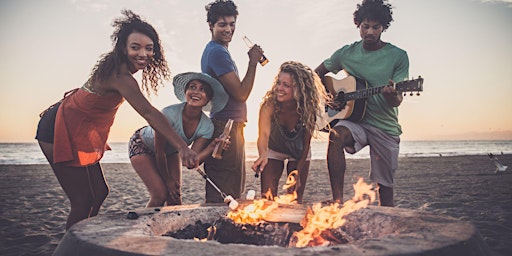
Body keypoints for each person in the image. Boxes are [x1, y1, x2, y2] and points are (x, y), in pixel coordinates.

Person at [35, 10, 199, 230]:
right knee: (82, 200)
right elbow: (149, 113)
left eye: (149, 48)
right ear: (123, 48)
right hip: (57, 128)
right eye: (136, 47)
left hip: (78, 129)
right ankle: (73, 244)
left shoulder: (120, 70)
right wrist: (182, 147)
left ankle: (85, 234)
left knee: (100, 192)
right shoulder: (120, 76)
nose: (143, 53)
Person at [314, 0, 409, 207]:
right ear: (358, 25)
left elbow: (397, 100)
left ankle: (387, 219)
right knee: (335, 136)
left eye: (376, 27)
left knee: (385, 189)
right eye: (365, 26)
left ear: (384, 27)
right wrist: (329, 97)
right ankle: (338, 200)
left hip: (384, 125)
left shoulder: (398, 56)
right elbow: (316, 74)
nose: (370, 32)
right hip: (355, 120)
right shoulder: (346, 53)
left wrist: (391, 94)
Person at [129, 72, 229, 207]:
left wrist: (212, 146)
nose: (196, 92)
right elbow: (160, 152)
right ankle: (141, 227)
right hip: (142, 145)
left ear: (208, 99)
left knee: (175, 196)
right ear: (185, 92)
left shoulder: (206, 126)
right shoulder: (168, 114)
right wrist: (168, 179)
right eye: (192, 87)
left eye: (202, 89)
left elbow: (190, 162)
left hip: (171, 152)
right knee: (160, 194)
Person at [201, 0, 265, 203]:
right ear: (211, 25)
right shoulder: (217, 52)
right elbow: (241, 94)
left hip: (230, 125)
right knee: (226, 194)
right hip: (225, 126)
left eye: (232, 24)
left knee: (231, 188)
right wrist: (253, 62)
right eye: (222, 24)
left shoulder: (218, 50)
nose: (228, 29)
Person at [251, 61, 330, 204]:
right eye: (278, 83)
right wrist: (262, 154)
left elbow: (306, 144)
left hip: (298, 152)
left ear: (299, 89)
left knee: (294, 198)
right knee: (267, 199)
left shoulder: (308, 108)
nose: (279, 88)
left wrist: (297, 174)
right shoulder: (269, 105)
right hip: (274, 148)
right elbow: (263, 135)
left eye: (286, 85)